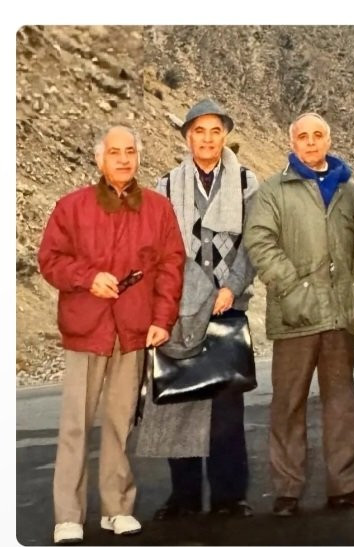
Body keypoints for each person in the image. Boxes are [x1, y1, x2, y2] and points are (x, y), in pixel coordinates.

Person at [38, 126, 185, 545]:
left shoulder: (158, 209)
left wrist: (162, 319)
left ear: (138, 157)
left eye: (130, 152)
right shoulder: (72, 207)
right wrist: (88, 278)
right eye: (115, 152)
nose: (123, 159)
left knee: (120, 424)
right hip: (86, 328)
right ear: (99, 159)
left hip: (134, 329)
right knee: (75, 426)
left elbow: (171, 266)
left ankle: (116, 508)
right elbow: (50, 260)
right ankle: (68, 515)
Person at [244, 112, 354, 517]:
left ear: (328, 140)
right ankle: (287, 490)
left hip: (339, 314)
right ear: (293, 142)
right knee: (288, 404)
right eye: (303, 136)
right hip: (295, 316)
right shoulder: (273, 190)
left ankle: (344, 485)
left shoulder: (350, 191)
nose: (311, 142)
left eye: (318, 135)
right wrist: (292, 286)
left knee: (341, 403)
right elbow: (259, 241)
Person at [135, 99, 259, 520]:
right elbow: (160, 248)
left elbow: (253, 242)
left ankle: (229, 496)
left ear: (225, 136)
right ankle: (183, 497)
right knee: (182, 400)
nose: (207, 139)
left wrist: (231, 287)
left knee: (226, 404)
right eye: (199, 131)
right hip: (181, 307)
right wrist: (178, 297)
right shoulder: (167, 185)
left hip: (227, 305)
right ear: (187, 137)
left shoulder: (246, 182)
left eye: (215, 131)